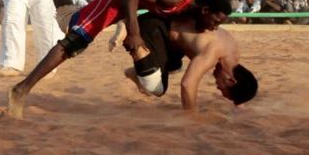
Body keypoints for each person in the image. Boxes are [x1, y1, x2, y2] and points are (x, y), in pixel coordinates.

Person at [6, 0, 231, 119]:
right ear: (205, 10)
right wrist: (133, 32)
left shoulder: (193, 6)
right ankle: (21, 90)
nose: (214, 27)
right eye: (215, 21)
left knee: (71, 21)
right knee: (76, 40)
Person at [109, 13, 257, 109]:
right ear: (231, 81)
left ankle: (138, 71)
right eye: (221, 88)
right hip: (154, 27)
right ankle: (128, 27)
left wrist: (241, 99)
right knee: (156, 88)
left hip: (172, 39)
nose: (217, 86)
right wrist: (191, 117)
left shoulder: (234, 53)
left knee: (176, 66)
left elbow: (245, 84)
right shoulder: (213, 54)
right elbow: (187, 84)